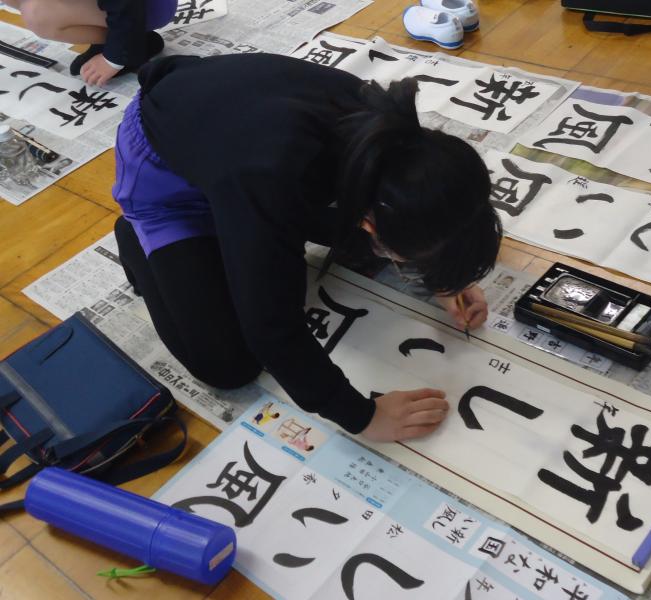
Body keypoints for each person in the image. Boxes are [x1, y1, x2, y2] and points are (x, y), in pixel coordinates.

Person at [111, 52, 502, 443]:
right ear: (370, 222)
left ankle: (230, 222)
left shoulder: (400, 146)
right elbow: (271, 327)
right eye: (409, 255)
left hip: (233, 139)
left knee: (352, 246)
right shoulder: (269, 177)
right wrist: (362, 416)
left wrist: (446, 275)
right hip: (164, 175)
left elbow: (439, 209)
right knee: (227, 364)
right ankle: (135, 237)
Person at [8, 0, 177, 86]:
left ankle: (133, 43)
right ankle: (117, 39)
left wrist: (114, 59)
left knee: (38, 15)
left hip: (144, 7)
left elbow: (126, 3)